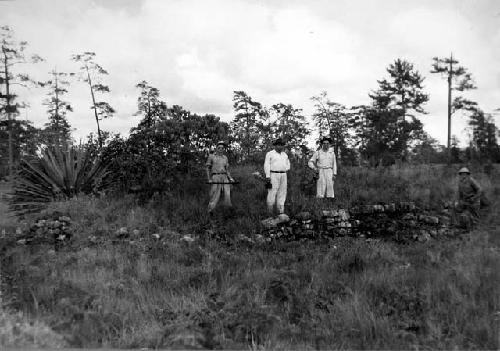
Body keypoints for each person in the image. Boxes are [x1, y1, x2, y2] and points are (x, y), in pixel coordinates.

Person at [206, 141, 234, 213]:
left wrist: (230, 178)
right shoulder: (211, 156)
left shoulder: (225, 158)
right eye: (219, 148)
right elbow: (207, 168)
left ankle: (228, 211)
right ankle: (210, 211)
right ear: (216, 148)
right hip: (215, 176)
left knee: (227, 194)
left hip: (224, 177)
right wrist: (209, 179)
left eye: (222, 148)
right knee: (214, 194)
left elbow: (227, 170)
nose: (221, 149)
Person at [264, 138, 290, 215]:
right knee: (272, 192)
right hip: (273, 174)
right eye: (279, 145)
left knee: (282, 193)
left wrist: (285, 169)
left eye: (282, 145)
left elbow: (288, 164)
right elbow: (267, 165)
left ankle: (280, 212)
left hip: (283, 174)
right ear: (275, 145)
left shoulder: (285, 154)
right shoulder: (270, 154)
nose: (280, 147)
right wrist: (268, 176)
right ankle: (270, 212)